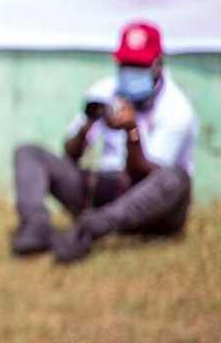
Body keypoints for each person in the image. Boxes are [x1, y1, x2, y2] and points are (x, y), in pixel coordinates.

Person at [11, 21, 198, 264]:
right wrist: (88, 124)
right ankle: (36, 226)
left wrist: (131, 131)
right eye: (126, 64)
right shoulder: (105, 91)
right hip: (106, 188)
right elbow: (70, 154)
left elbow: (147, 176)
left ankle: (92, 227)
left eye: (138, 65)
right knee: (29, 153)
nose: (131, 71)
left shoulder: (176, 109)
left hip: (151, 205)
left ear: (158, 64)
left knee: (176, 178)